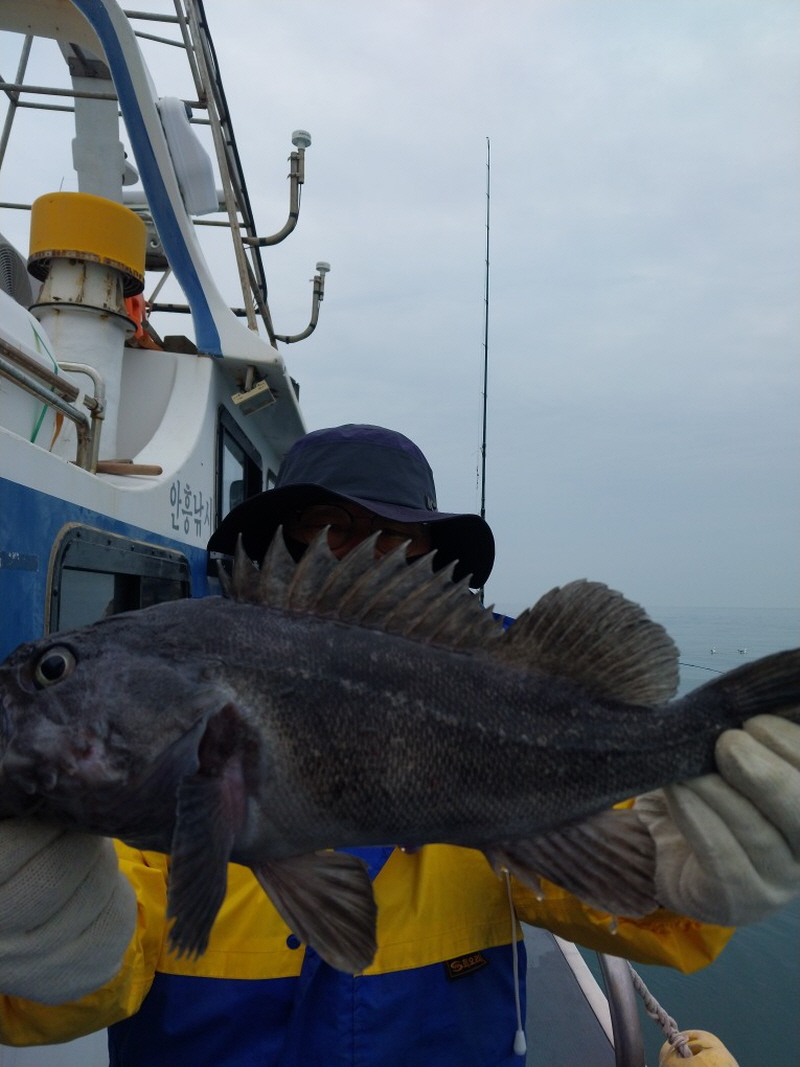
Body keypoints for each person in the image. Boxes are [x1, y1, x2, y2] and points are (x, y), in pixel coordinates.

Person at [0, 423, 798, 1067]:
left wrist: (689, 864)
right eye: (330, 531)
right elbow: (82, 983)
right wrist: (46, 936)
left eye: (399, 540)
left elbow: (631, 882)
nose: (367, 557)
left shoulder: (505, 697)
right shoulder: (142, 813)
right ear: (279, 550)